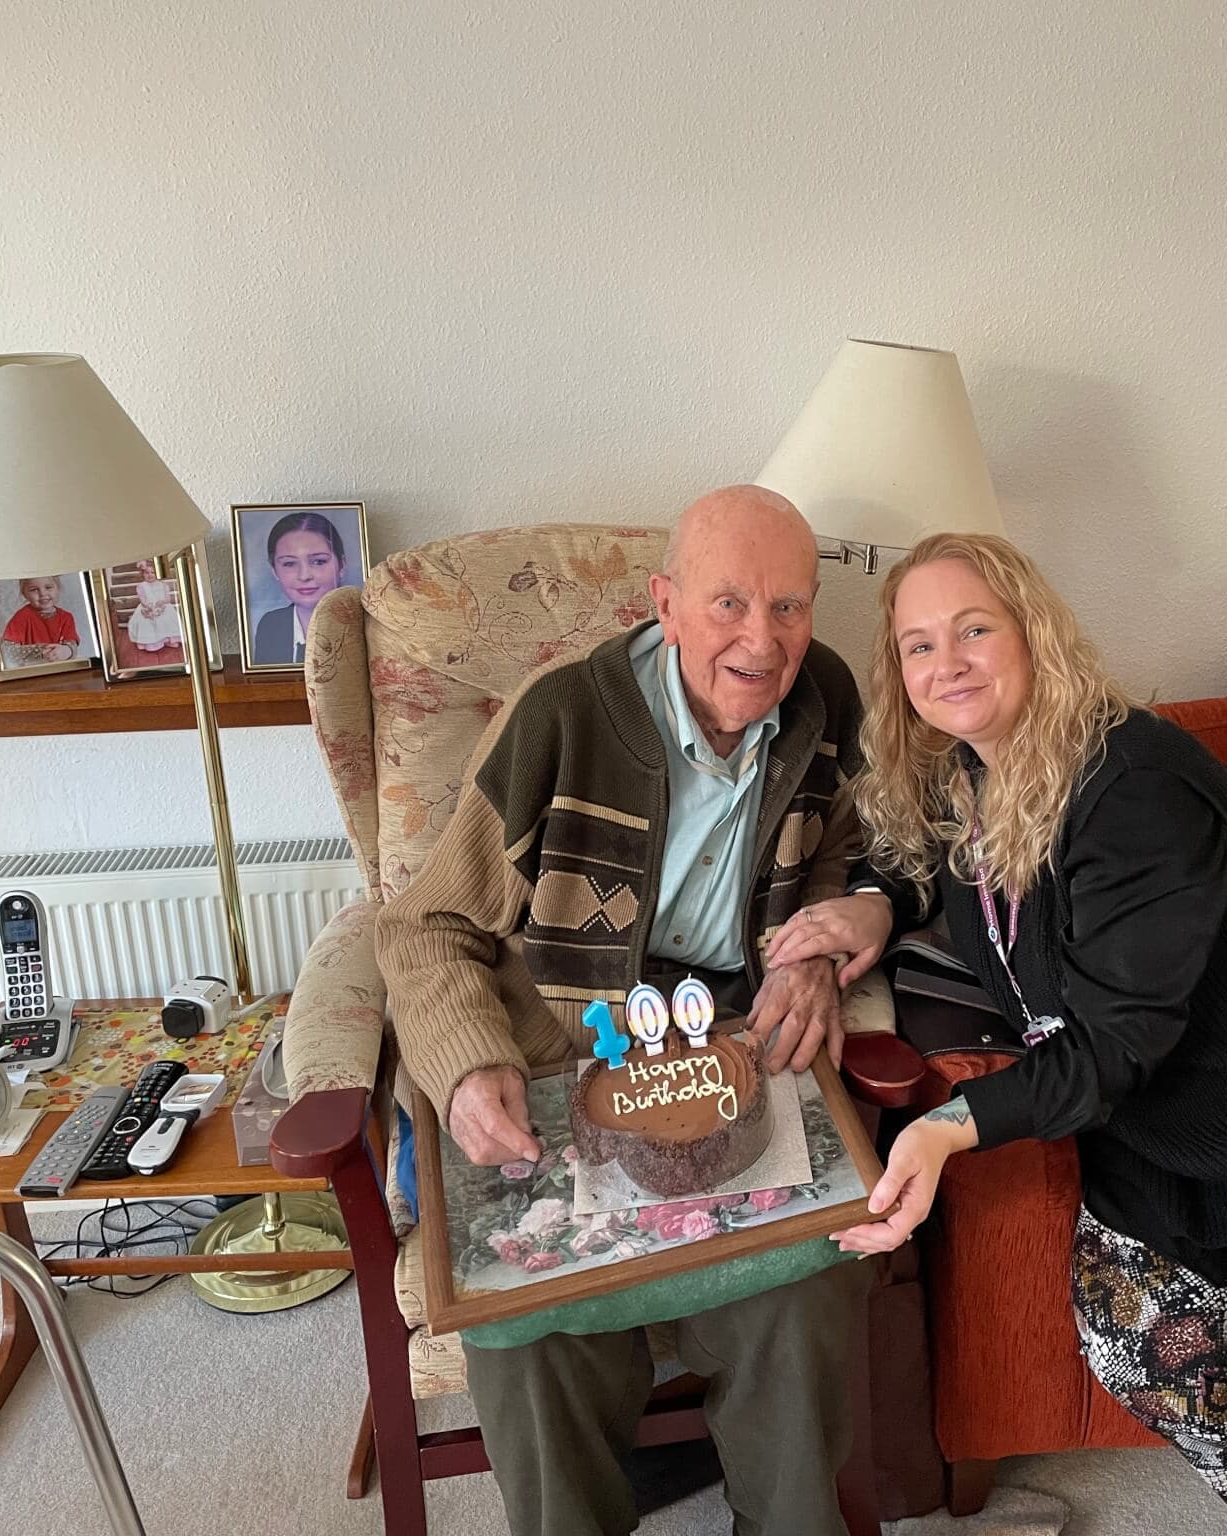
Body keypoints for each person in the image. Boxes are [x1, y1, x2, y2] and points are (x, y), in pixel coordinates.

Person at [770, 532, 1227, 1536]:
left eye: (973, 629)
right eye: (918, 645)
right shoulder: (963, 775)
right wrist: (870, 903)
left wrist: (943, 1129)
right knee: (1133, 1340)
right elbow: (918, 859)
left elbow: (1115, 1041)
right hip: (1185, 1134)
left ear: (1033, 634)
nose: (947, 664)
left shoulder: (1129, 781)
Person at [377, 486, 870, 1536]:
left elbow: (841, 852)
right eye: (729, 604)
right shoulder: (558, 717)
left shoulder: (826, 702)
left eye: (788, 607)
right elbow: (423, 929)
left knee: (808, 1289)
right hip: (560, 1051)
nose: (761, 639)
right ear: (664, 603)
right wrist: (467, 1064)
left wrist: (813, 952)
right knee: (529, 1320)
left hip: (728, 1060)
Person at [250, 510, 350, 664]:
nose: (304, 576)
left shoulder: (362, 625)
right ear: (275, 571)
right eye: (289, 563)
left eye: (318, 561)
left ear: (342, 565)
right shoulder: (270, 625)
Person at [1, 576, 81, 662]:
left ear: (57, 588)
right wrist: (39, 651)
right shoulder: (21, 617)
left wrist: (67, 651)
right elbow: (7, 650)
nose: (43, 593)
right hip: (33, 670)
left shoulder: (66, 617)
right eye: (34, 589)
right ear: (25, 594)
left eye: (48, 587)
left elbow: (72, 644)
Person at [125, 560, 182, 652]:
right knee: (145, 621)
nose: (150, 575)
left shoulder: (163, 585)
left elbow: (168, 599)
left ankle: (168, 639)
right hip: (148, 607)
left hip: (162, 606)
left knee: (167, 618)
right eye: (147, 573)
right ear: (142, 574)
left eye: (153, 572)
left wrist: (162, 602)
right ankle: (149, 642)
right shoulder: (141, 586)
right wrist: (147, 606)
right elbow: (142, 599)